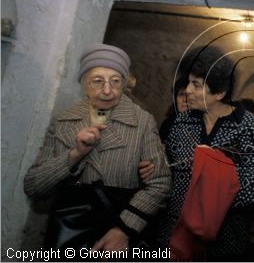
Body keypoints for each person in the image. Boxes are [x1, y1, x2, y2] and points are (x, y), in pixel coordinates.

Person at [23, 43, 171, 255]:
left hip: (120, 234)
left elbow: (160, 183)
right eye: (98, 81)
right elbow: (34, 187)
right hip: (69, 237)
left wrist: (123, 230)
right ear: (84, 83)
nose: (108, 90)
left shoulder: (142, 122)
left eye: (115, 81)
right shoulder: (63, 122)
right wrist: (75, 155)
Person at [159, 45, 254, 261]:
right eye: (188, 82)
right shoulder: (181, 122)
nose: (188, 90)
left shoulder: (247, 126)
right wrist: (154, 169)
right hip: (175, 239)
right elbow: (166, 172)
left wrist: (210, 190)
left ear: (219, 93)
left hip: (225, 241)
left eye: (196, 85)